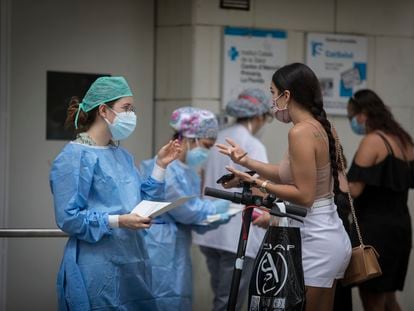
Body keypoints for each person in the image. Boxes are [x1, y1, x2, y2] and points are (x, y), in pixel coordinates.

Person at [217, 63, 352, 311]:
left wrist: (258, 183)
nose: (271, 100)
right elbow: (284, 173)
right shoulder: (321, 126)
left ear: (286, 95)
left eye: (272, 92)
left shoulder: (300, 133)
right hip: (328, 234)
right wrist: (246, 161)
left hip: (315, 239)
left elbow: (305, 195)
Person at [49, 76, 182, 311]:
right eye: (126, 108)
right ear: (103, 110)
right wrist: (118, 221)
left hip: (132, 263)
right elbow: (69, 218)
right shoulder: (74, 157)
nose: (131, 115)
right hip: (97, 268)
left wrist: (160, 166)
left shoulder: (122, 156)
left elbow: (140, 203)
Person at [140, 107, 232, 310]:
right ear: (189, 138)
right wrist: (213, 210)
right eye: (206, 145)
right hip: (159, 248)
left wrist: (213, 218)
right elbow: (187, 210)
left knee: (176, 299)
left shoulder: (188, 172)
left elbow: (190, 217)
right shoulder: (167, 170)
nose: (206, 152)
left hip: (176, 248)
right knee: (159, 300)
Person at [192, 88, 272, 310]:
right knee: (231, 302)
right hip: (237, 236)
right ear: (259, 116)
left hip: (210, 232)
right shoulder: (253, 145)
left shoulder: (217, 139)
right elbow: (260, 188)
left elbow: (202, 178)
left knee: (221, 296)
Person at [346, 89, 413, 311]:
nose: (352, 122)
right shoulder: (403, 140)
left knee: (373, 301)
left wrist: (334, 173)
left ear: (364, 114)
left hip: (375, 231)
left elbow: (354, 189)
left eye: (351, 116)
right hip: (400, 228)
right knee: (389, 299)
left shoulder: (373, 141)